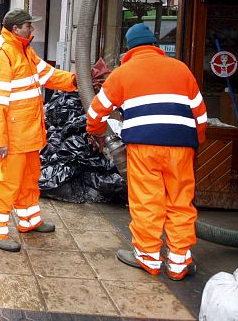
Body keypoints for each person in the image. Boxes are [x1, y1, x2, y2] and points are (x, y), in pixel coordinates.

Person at [86, 23, 207, 281]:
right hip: (181, 146)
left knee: (147, 201)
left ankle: (148, 258)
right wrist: (195, 142)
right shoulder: (181, 69)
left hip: (144, 147)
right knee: (180, 203)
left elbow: (96, 111)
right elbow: (200, 114)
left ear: (129, 48)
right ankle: (178, 263)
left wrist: (95, 132)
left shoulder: (122, 73)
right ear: (154, 44)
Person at [0, 9, 77, 252]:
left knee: (29, 179)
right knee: (8, 182)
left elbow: (48, 75)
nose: (32, 30)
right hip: (15, 135)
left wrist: (75, 81)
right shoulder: (0, 55)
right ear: (16, 29)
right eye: (28, 26)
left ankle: (29, 220)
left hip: (30, 132)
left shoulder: (25, 50)